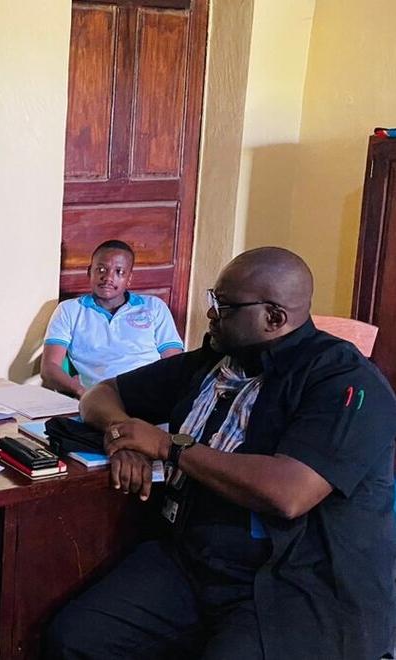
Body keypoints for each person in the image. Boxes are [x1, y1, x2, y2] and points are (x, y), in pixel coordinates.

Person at [44, 247, 396, 660]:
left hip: (290, 581)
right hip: (195, 557)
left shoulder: (344, 381)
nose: (211, 314)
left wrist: (168, 446)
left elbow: (289, 493)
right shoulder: (217, 360)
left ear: (273, 317)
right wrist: (124, 436)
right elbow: (102, 395)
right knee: (76, 637)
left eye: (224, 306)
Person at [41, 240, 183, 398]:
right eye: (101, 269)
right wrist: (81, 392)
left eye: (119, 272)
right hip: (100, 397)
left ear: (129, 278)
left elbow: (175, 362)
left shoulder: (154, 307)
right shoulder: (70, 310)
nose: (108, 278)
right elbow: (49, 368)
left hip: (151, 394)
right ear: (89, 272)